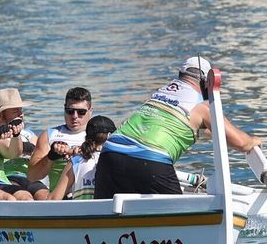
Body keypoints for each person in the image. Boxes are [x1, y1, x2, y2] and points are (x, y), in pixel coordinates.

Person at [95, 57, 257, 198]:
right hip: (150, 159)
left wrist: (206, 133)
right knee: (181, 214)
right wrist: (254, 141)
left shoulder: (161, 93)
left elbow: (177, 125)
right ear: (206, 83)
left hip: (110, 153)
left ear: (181, 76)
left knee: (102, 214)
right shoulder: (204, 106)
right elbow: (241, 143)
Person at [24, 86, 93, 200]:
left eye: (81, 112)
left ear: (90, 112)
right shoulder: (49, 135)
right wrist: (51, 156)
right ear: (64, 109)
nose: (75, 116)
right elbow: (32, 176)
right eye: (70, 111)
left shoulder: (98, 135)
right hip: (60, 199)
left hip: (90, 196)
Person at [50, 115, 115, 200]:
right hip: (108, 210)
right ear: (109, 136)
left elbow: (54, 198)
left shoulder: (76, 161)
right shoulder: (116, 159)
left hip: (79, 211)